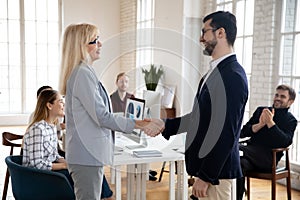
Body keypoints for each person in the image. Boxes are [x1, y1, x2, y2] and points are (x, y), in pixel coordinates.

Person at [59, 23, 163, 200]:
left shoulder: (84, 72)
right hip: (86, 156)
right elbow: (102, 117)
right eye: (95, 40)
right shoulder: (82, 74)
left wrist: (138, 122)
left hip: (87, 154)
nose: (100, 44)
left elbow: (100, 115)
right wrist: (137, 123)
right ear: (81, 45)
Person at [161, 11, 248, 199]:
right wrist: (166, 125)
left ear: (220, 33)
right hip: (207, 170)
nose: (201, 38)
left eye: (204, 32)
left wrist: (206, 176)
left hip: (217, 176)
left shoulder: (232, 76)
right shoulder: (214, 71)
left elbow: (226, 132)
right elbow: (199, 117)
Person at [236, 84, 297, 200]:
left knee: (233, 148)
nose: (278, 98)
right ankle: (236, 197)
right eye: (276, 95)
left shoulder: (291, 120)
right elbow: (243, 132)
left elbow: (285, 141)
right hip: (250, 155)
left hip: (269, 158)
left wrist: (270, 123)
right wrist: (260, 125)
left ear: (290, 102)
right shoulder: (262, 111)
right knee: (238, 163)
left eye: (283, 96)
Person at [110, 72, 158, 181]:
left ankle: (144, 170)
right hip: (118, 128)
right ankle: (143, 171)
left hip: (130, 127)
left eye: (126, 81)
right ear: (116, 83)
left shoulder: (131, 97)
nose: (124, 84)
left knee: (140, 143)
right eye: (121, 81)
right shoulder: (112, 98)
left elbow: (135, 114)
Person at [22, 89, 73, 186]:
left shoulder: (52, 127)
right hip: (37, 177)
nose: (64, 105)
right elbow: (37, 165)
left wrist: (68, 163)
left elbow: (54, 154)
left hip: (46, 172)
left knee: (79, 173)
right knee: (74, 178)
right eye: (61, 102)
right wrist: (63, 165)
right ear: (49, 105)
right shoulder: (38, 130)